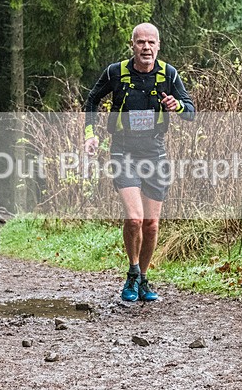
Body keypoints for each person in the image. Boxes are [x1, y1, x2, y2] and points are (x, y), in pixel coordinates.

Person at [83, 23, 195, 302]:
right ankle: (132, 273)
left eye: (151, 42)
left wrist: (176, 106)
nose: (146, 47)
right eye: (140, 42)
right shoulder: (116, 72)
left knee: (151, 224)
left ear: (159, 45)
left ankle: (143, 279)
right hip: (123, 151)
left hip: (155, 152)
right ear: (132, 45)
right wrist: (90, 134)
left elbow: (191, 111)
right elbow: (92, 99)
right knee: (134, 218)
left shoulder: (169, 74)